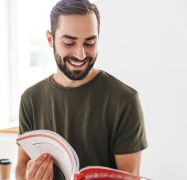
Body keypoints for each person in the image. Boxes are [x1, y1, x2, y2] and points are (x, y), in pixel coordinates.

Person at [15, 0, 148, 179]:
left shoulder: (124, 100)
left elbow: (129, 176)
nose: (81, 54)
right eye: (69, 43)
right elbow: (21, 168)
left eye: (90, 43)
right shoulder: (31, 99)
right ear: (50, 39)